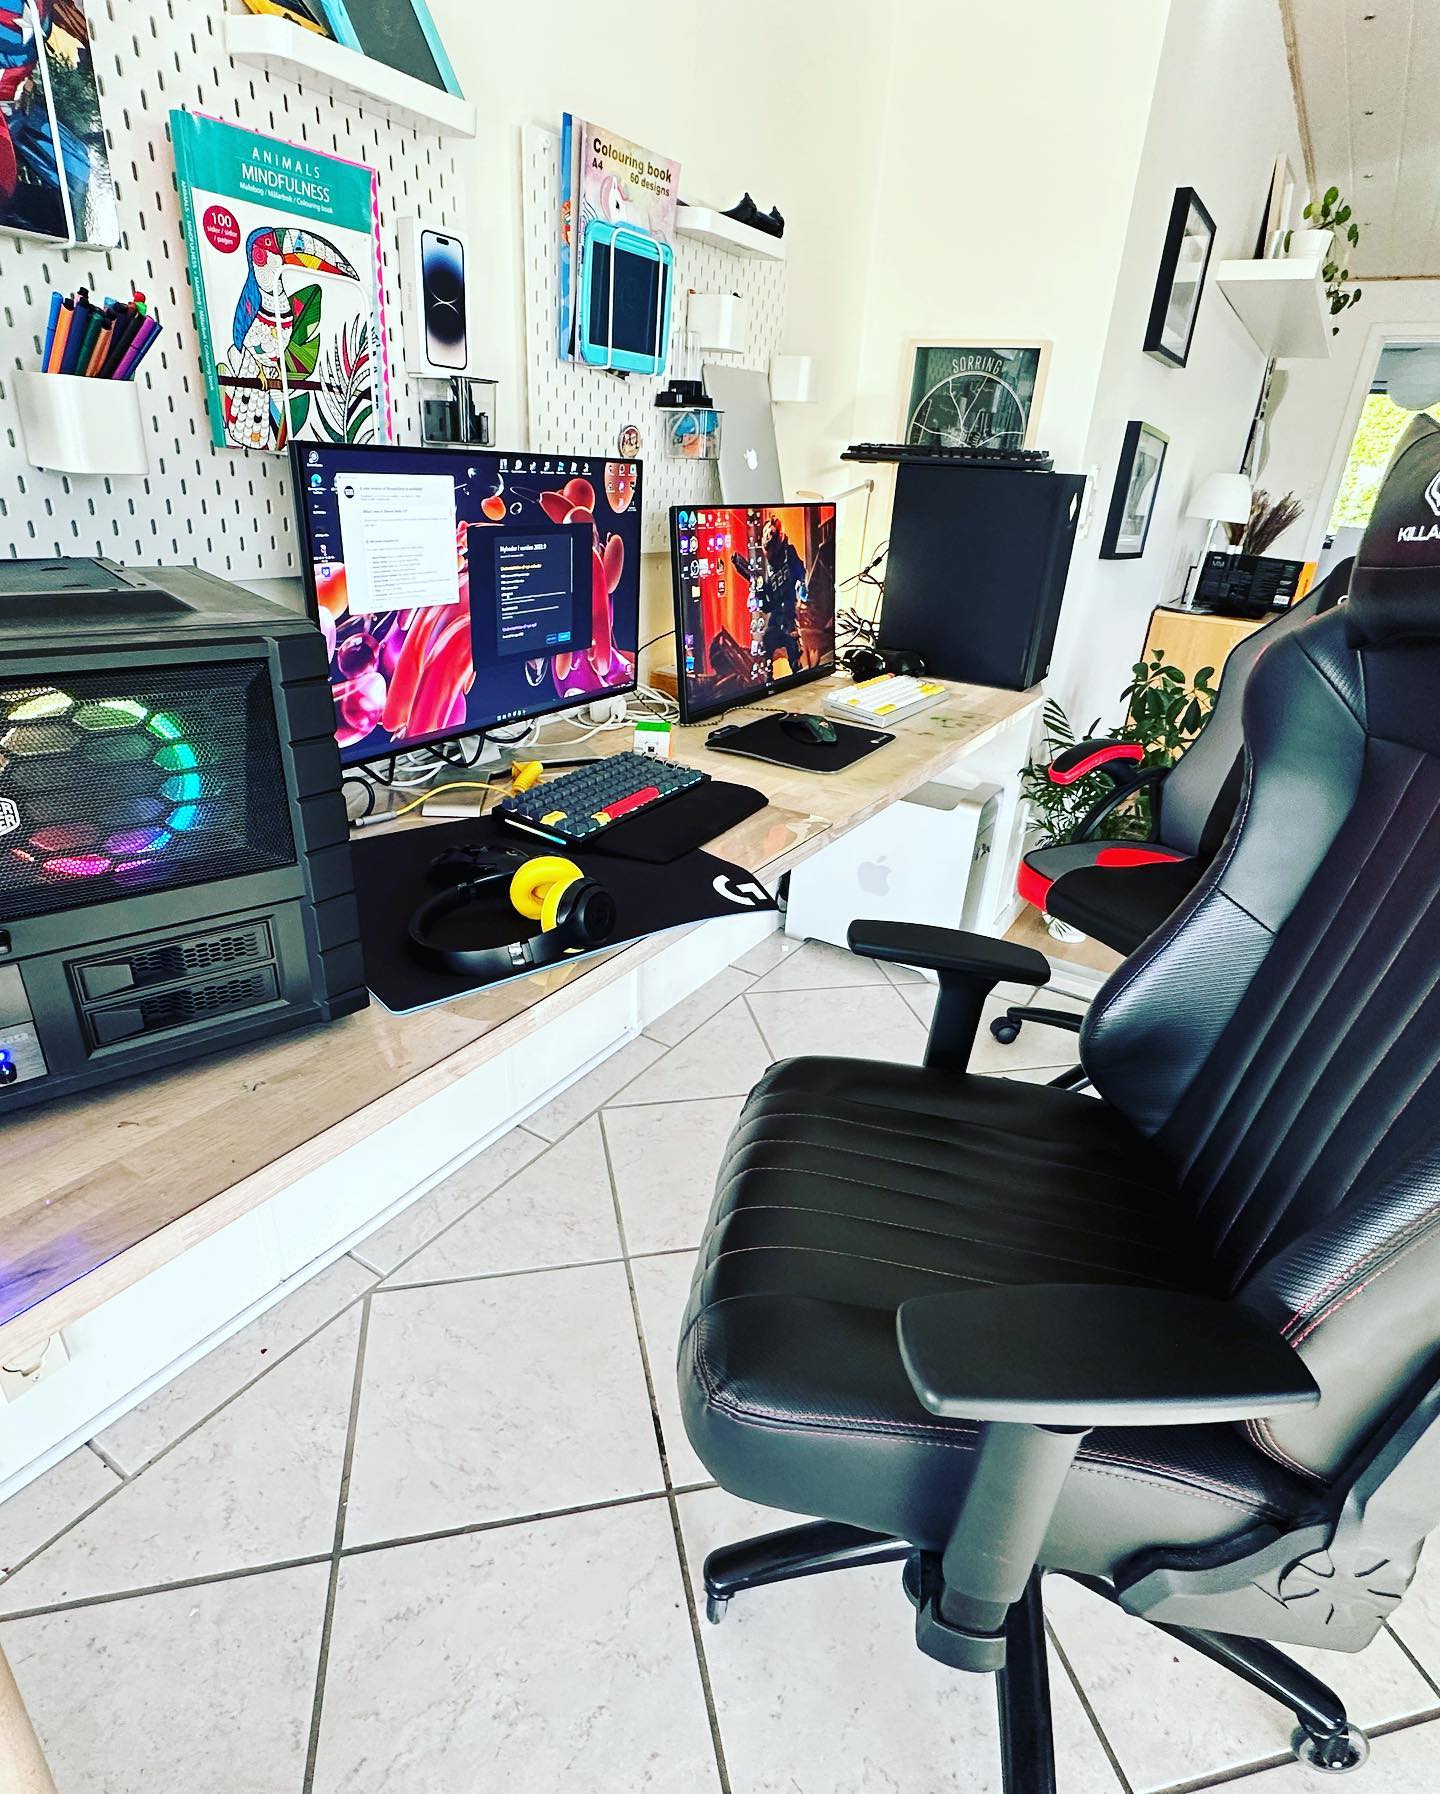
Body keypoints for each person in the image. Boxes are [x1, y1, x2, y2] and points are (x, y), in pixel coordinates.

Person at [732, 517, 808, 678]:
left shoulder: (789, 554)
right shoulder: (769, 569)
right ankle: (769, 679)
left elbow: (801, 577)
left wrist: (801, 598)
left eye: (771, 534)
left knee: (795, 657)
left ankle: (798, 672)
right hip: (777, 617)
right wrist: (752, 578)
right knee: (767, 642)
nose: (767, 537)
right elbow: (767, 604)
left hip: (791, 616)